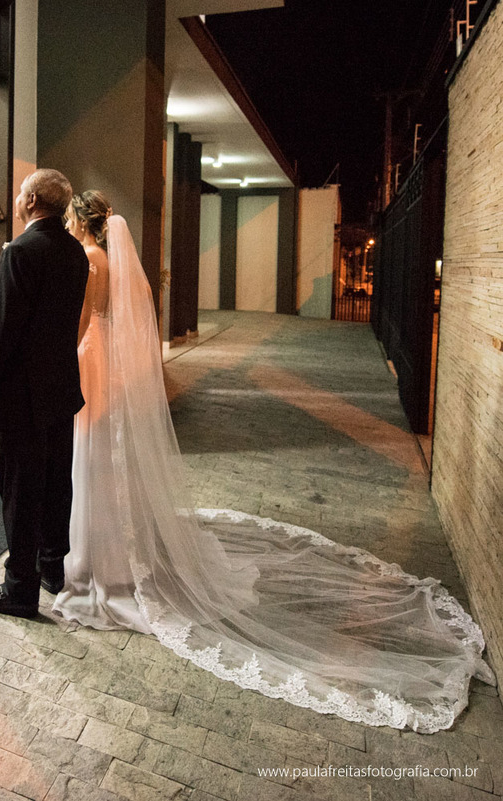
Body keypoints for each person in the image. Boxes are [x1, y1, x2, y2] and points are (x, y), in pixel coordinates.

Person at [52, 192, 494, 733]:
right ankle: (124, 545)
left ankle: (105, 564)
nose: (70, 224)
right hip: (113, 362)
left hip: (92, 357)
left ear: (81, 220)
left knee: (96, 461)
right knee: (112, 463)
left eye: (71, 218)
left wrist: (65, 361)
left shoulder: (90, 261)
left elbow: (79, 323)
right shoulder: (118, 262)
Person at [0, 168, 90, 619]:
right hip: (60, 391)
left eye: (20, 193)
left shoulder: (20, 251)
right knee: (56, 483)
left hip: (19, 398)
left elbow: (0, 333)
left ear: (33, 199)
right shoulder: (75, 250)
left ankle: (19, 590)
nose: (16, 199)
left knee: (19, 492)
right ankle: (52, 569)